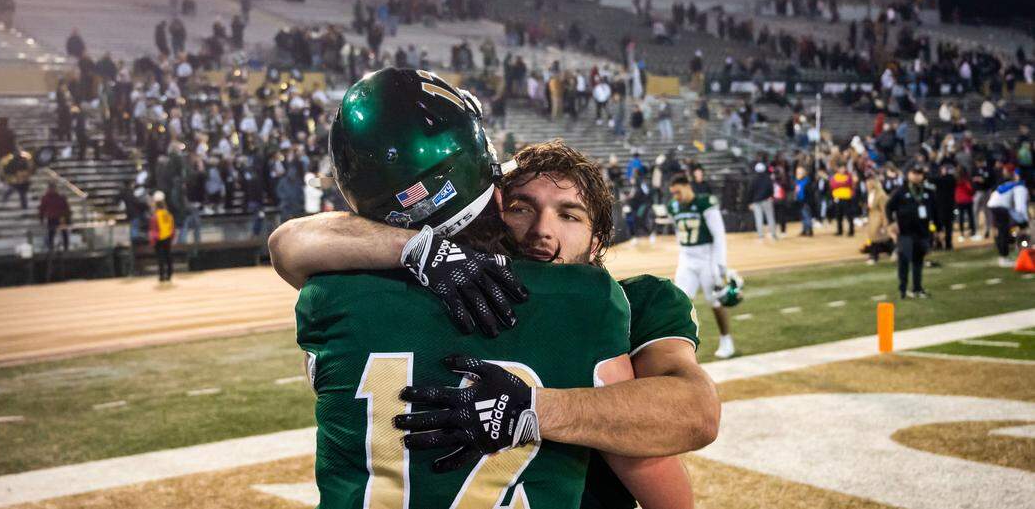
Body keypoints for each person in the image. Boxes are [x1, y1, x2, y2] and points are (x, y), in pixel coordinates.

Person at [271, 70, 714, 507]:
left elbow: (695, 412)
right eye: (523, 207)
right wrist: (420, 247)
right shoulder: (464, 283)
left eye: (569, 215)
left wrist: (535, 410)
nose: (542, 230)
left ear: (599, 238)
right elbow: (287, 242)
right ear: (497, 203)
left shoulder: (631, 301)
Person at [667, 173, 736, 359]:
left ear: (687, 186)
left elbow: (719, 236)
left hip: (707, 257)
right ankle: (681, 347)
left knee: (715, 301)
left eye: (678, 192)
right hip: (687, 258)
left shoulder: (705, 203)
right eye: (673, 193)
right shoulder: (673, 207)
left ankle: (726, 340)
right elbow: (678, 233)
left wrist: (720, 267)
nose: (676, 197)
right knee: (680, 302)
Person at [886, 165, 937, 299]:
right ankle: (902, 290)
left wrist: (937, 228)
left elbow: (934, 211)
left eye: (919, 173)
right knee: (903, 262)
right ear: (908, 174)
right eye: (914, 173)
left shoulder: (927, 191)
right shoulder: (901, 191)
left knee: (918, 262)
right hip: (905, 233)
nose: (917, 176)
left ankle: (917, 288)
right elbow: (888, 207)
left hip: (922, 232)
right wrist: (891, 223)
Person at [986, 170, 1030, 267]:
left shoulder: (1011, 184)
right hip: (1000, 207)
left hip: (994, 206)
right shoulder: (1020, 187)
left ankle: (1005, 254)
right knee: (1004, 232)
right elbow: (1020, 208)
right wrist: (1025, 222)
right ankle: (1004, 257)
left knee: (1003, 231)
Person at [746, 162, 778, 240]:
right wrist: (771, 196)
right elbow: (771, 188)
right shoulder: (768, 178)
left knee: (758, 218)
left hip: (756, 202)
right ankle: (773, 234)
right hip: (767, 200)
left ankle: (760, 235)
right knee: (770, 217)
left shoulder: (753, 179)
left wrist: (749, 202)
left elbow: (750, 191)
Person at [864, 177, 892, 265]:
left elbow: (885, 210)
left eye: (869, 183)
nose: (867, 185)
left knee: (878, 238)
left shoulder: (881, 195)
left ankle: (874, 256)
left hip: (878, 218)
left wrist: (885, 222)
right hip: (872, 218)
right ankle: (890, 252)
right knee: (876, 238)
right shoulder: (870, 194)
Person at [148, 191, 174, 282]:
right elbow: (172, 226)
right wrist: (171, 236)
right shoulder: (168, 214)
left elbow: (153, 229)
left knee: (160, 258)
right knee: (168, 256)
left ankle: (162, 275)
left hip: (159, 238)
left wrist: (153, 240)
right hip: (167, 237)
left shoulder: (155, 216)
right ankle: (170, 274)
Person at [38, 182, 71, 253]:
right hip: (55, 218)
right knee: (53, 233)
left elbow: (66, 208)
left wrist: (41, 218)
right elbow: (42, 209)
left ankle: (61, 247)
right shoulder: (47, 198)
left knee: (57, 233)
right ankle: (59, 247)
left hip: (58, 218)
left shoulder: (58, 197)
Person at [829, 163, 856, 236]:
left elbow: (849, 183)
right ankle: (839, 230)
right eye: (841, 168)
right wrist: (843, 183)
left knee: (849, 215)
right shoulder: (835, 177)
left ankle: (851, 230)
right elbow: (833, 185)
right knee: (838, 216)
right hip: (838, 198)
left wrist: (839, 184)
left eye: (843, 168)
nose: (842, 170)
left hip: (847, 198)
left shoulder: (848, 176)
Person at [794, 165, 817, 237]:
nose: (798, 174)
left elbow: (809, 193)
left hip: (806, 202)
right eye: (797, 173)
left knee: (807, 216)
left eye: (799, 173)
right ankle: (804, 230)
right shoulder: (797, 181)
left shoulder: (807, 182)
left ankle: (809, 230)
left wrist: (807, 202)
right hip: (800, 201)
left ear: (803, 173)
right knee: (803, 216)